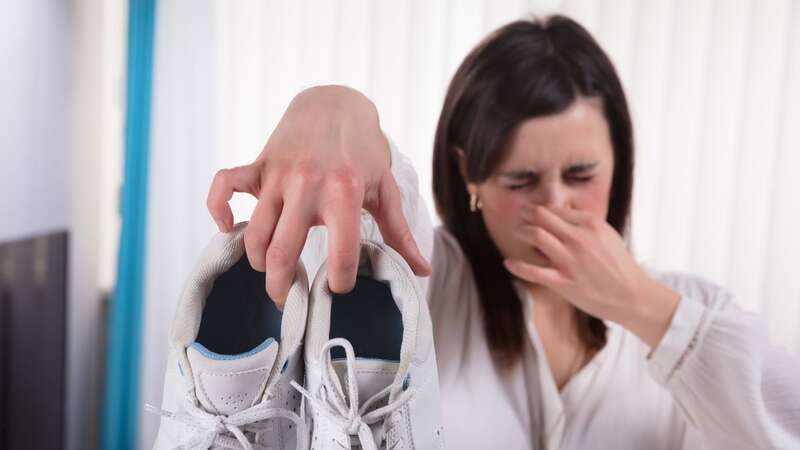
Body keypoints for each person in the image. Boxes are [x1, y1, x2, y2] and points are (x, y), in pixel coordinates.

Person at [205, 15, 800, 450]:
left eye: (582, 174)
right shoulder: (431, 285)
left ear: (618, 165)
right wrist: (330, 106)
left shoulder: (694, 311)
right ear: (471, 176)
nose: (556, 204)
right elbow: (380, 190)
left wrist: (646, 308)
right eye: (521, 180)